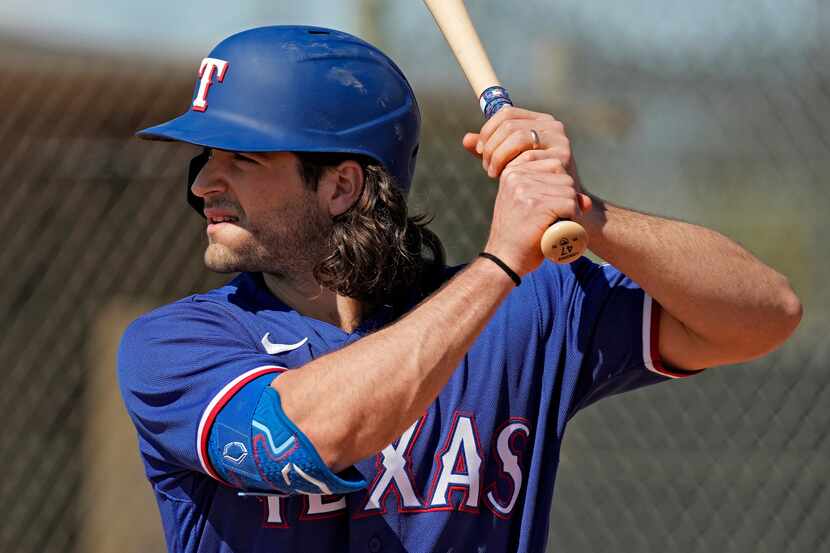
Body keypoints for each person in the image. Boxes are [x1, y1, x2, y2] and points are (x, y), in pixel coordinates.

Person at [118, 25, 802, 553]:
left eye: (241, 157)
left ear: (341, 186)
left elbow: (764, 315)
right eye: (206, 157)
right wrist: (501, 261)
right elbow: (313, 434)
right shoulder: (174, 345)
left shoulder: (525, 313)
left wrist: (585, 209)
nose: (205, 180)